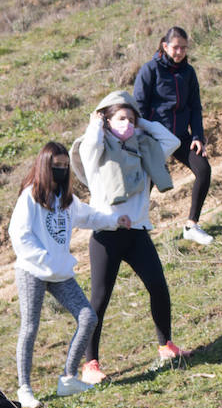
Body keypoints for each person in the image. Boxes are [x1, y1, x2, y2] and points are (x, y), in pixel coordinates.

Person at [73, 91, 188, 384]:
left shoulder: (145, 148)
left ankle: (166, 345)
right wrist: (97, 123)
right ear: (106, 121)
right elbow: (89, 145)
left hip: (137, 232)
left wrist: (142, 123)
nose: (127, 124)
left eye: (131, 119)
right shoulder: (96, 154)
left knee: (158, 287)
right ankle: (90, 365)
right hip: (107, 235)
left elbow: (171, 142)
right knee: (98, 301)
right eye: (120, 118)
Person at [9, 141, 129, 408]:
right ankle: (24, 389)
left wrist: (114, 220)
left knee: (88, 317)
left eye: (65, 166)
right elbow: (18, 234)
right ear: (44, 166)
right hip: (33, 271)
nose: (62, 170)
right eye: (56, 166)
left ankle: (68, 378)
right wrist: (45, 259)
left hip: (61, 273)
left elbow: (87, 216)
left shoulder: (66, 200)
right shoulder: (30, 196)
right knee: (29, 328)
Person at [133, 26, 214, 245]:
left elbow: (195, 107)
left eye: (183, 48)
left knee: (204, 169)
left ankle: (192, 225)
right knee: (145, 185)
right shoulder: (149, 70)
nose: (179, 52)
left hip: (181, 137)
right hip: (153, 137)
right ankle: (136, 233)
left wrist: (197, 136)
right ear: (165, 46)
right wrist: (140, 138)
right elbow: (138, 106)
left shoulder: (189, 73)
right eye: (176, 47)